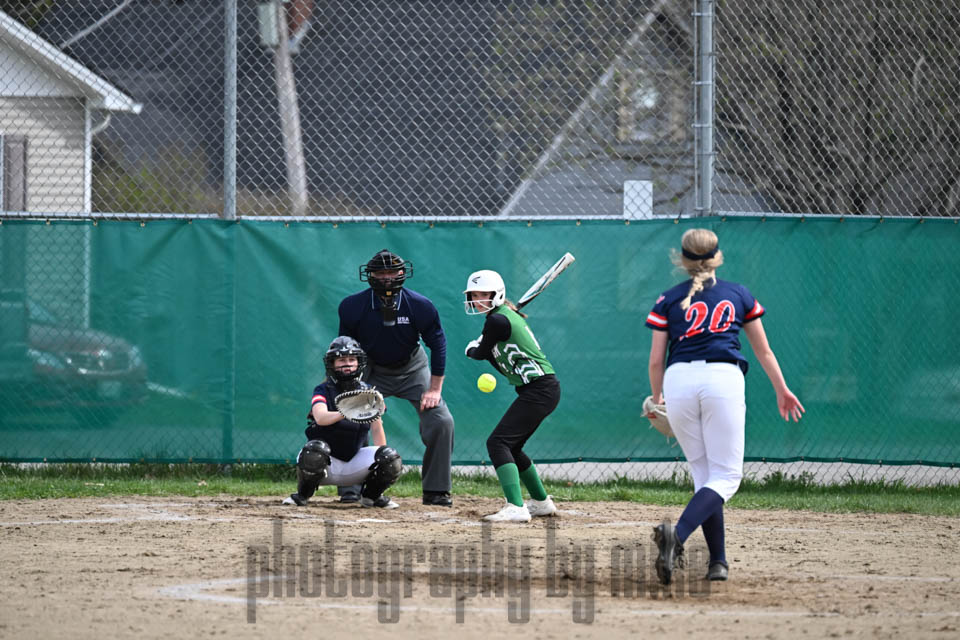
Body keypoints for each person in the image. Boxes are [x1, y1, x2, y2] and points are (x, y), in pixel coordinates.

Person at [645, 228, 804, 584]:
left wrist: (658, 398)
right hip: (722, 378)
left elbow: (656, 361)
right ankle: (677, 536)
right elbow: (763, 350)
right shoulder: (738, 293)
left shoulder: (667, 298)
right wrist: (782, 389)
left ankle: (718, 562)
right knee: (726, 476)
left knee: (705, 477)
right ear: (717, 257)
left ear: (682, 259)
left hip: (678, 379)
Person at [338, 249, 455, 507]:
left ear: (402, 273)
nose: (386, 277)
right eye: (380, 272)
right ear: (370, 275)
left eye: (392, 272)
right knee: (349, 414)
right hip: (369, 366)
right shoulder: (352, 306)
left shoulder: (420, 305)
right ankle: (351, 487)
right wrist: (359, 391)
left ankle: (436, 490)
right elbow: (346, 351)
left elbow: (438, 344)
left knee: (441, 421)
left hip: (412, 366)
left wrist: (434, 389)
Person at [463, 269, 561, 522]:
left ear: (496, 294)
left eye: (483, 294)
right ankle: (541, 502)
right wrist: (480, 347)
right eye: (474, 295)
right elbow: (496, 357)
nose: (478, 300)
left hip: (540, 389)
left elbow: (481, 354)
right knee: (512, 446)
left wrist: (472, 349)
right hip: (540, 389)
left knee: (498, 443)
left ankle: (516, 507)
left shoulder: (497, 321)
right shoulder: (500, 318)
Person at [282, 336, 402, 509]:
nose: (347, 364)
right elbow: (321, 417)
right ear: (332, 363)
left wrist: (382, 461)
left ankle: (371, 497)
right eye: (342, 360)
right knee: (315, 450)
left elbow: (377, 428)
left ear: (359, 362)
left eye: (352, 359)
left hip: (354, 463)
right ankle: (302, 495)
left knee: (389, 456)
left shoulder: (367, 391)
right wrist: (346, 412)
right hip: (326, 463)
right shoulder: (323, 389)